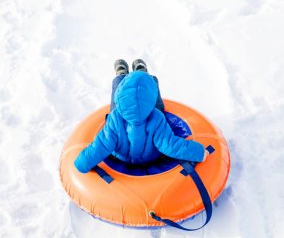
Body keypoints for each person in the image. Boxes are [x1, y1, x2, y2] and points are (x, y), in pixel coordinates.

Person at [74, 59, 209, 173]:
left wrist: (82, 163)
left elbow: (101, 145)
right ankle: (144, 74)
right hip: (152, 157)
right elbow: (171, 144)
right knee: (150, 95)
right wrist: (199, 152)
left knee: (122, 100)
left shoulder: (115, 119)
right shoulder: (157, 117)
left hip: (122, 157)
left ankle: (121, 75)